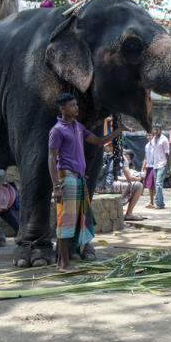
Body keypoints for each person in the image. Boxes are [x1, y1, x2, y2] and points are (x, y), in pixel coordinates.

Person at [48, 92, 127, 272]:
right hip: (66, 178)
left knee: (72, 221)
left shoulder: (77, 127)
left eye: (76, 105)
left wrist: (118, 131)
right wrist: (56, 186)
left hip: (77, 179)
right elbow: (51, 158)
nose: (76, 108)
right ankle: (63, 263)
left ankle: (63, 261)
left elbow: (98, 141)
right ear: (62, 108)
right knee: (65, 221)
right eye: (72, 105)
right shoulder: (57, 130)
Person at [98, 145, 145, 222]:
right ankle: (129, 214)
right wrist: (139, 178)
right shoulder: (121, 158)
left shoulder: (102, 155)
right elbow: (129, 178)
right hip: (108, 187)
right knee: (138, 186)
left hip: (97, 188)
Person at [149, 123, 170, 209]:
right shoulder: (153, 139)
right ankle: (160, 203)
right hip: (155, 165)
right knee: (156, 184)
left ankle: (159, 204)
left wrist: (169, 168)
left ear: (160, 130)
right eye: (154, 129)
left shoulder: (164, 139)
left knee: (158, 184)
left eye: (157, 129)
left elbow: (167, 154)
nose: (155, 131)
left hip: (162, 164)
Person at [140, 132, 157, 208]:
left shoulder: (156, 144)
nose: (148, 137)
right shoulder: (147, 145)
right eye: (147, 135)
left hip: (155, 166)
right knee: (150, 185)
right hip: (148, 166)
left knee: (156, 185)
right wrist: (143, 167)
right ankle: (151, 202)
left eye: (150, 135)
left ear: (153, 136)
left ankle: (156, 202)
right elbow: (145, 157)